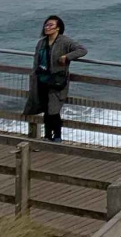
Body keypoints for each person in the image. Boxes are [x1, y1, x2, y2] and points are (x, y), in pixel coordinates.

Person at [21, 15, 86, 143]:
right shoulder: (41, 42)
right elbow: (36, 61)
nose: (47, 27)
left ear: (58, 28)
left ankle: (57, 136)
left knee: (53, 110)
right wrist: (34, 76)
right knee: (45, 108)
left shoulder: (65, 41)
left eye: (51, 25)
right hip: (42, 79)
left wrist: (67, 57)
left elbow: (82, 50)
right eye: (46, 25)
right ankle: (47, 136)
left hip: (57, 81)